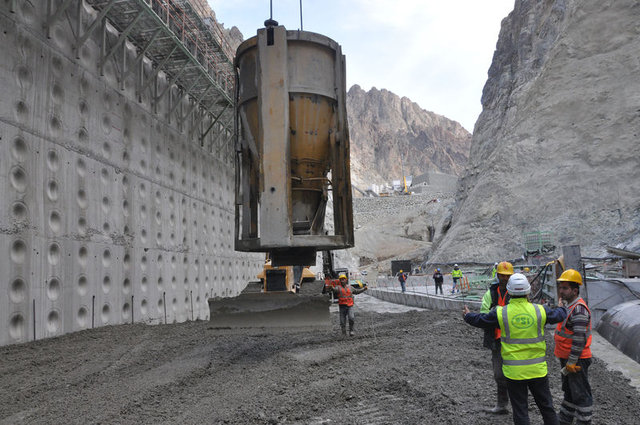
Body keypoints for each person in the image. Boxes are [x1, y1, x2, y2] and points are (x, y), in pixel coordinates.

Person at [463, 273, 567, 425]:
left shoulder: (501, 313)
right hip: (537, 370)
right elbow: (559, 315)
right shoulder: (540, 311)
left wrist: (467, 316)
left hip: (514, 372)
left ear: (509, 292)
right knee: (547, 408)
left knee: (520, 411)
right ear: (528, 292)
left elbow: (481, 320)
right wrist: (562, 307)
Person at [554, 269, 593, 425]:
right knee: (570, 391)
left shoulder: (579, 309)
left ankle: (584, 421)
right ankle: (564, 419)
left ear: (575, 290)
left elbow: (579, 339)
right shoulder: (570, 306)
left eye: (565, 288)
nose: (561, 291)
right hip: (569, 358)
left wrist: (571, 362)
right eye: (560, 287)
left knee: (581, 393)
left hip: (577, 360)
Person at [479, 261, 514, 414]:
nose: (505, 279)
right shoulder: (490, 294)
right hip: (497, 340)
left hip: (514, 340)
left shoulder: (517, 293)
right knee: (499, 374)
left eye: (508, 276)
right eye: (502, 275)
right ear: (497, 275)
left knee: (516, 374)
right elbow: (483, 314)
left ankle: (518, 405)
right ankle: (502, 404)